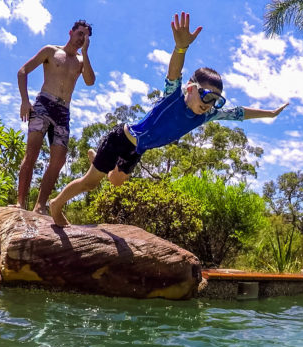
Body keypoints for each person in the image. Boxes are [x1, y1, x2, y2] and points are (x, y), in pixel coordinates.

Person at [49, 12, 288, 226]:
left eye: (216, 100)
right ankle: (56, 204)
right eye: (206, 95)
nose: (209, 104)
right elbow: (174, 71)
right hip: (121, 138)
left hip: (138, 150)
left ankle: (100, 161)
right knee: (91, 183)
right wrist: (181, 48)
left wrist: (271, 114)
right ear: (191, 89)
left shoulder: (206, 115)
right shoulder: (173, 96)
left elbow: (241, 114)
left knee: (117, 182)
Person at [15, 19, 96, 214]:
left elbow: (90, 81)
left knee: (58, 161)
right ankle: (20, 203)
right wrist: (25, 101)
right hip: (43, 104)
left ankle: (40, 205)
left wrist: (85, 52)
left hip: (63, 112)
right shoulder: (51, 51)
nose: (81, 39)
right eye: (80, 34)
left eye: (85, 37)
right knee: (31, 154)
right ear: (71, 32)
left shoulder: (81, 61)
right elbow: (22, 71)